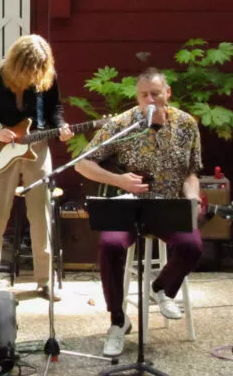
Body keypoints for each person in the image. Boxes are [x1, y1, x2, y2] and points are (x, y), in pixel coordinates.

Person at [75, 67, 203, 357]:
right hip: (127, 205)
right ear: (137, 97)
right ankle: (118, 322)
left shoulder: (186, 125)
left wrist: (192, 198)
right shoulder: (123, 123)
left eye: (155, 94)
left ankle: (161, 289)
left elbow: (192, 172)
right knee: (109, 245)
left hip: (168, 205)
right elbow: (82, 163)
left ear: (167, 93)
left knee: (192, 246)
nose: (150, 100)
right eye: (143, 95)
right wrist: (118, 180)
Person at [0, 34, 72, 299]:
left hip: (37, 147)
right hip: (2, 149)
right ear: (16, 62)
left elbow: (55, 107)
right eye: (28, 69)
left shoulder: (46, 74)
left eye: (38, 70)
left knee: (40, 214)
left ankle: (44, 281)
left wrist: (61, 126)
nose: (33, 75)